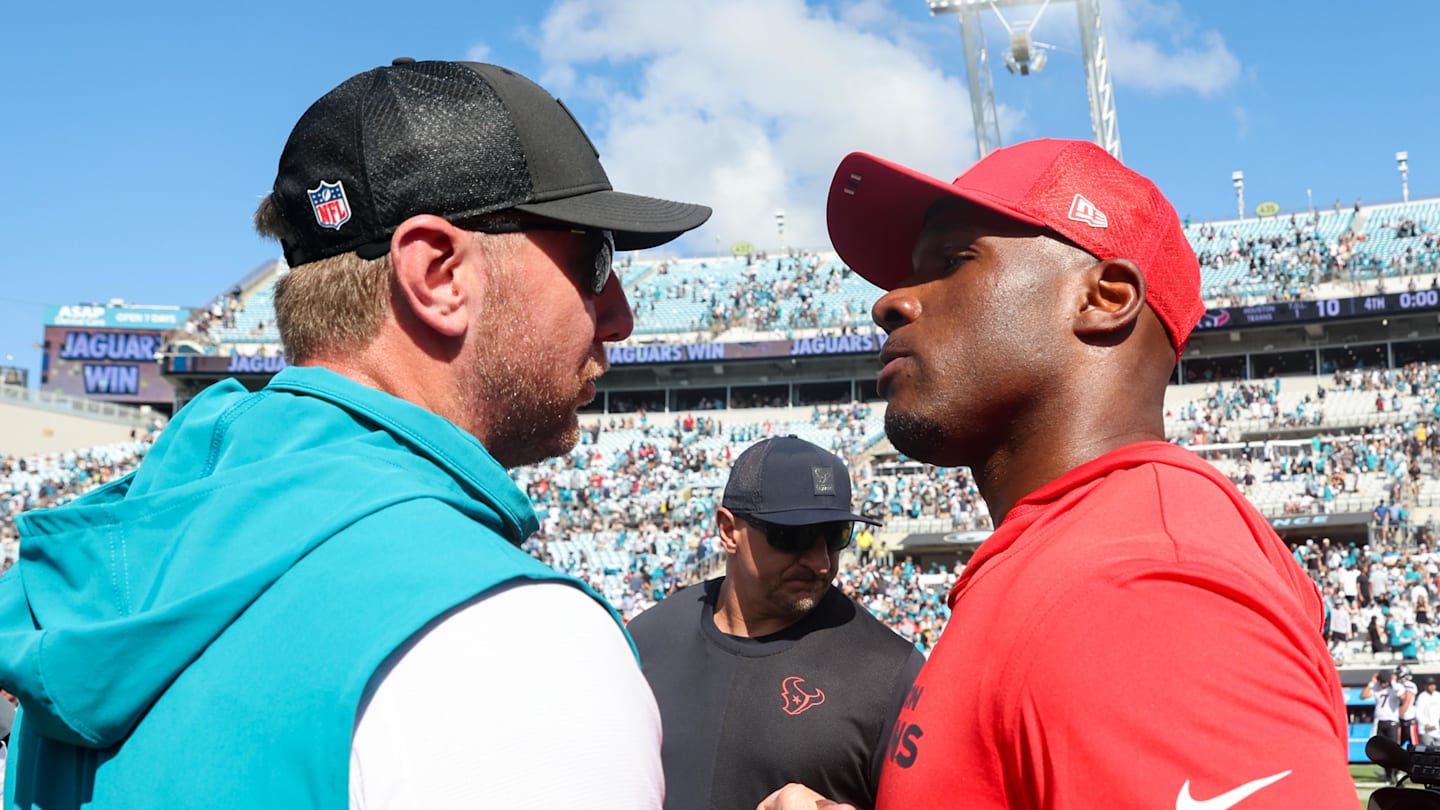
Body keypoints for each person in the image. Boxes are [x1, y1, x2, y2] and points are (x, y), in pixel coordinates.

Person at [0, 58, 710, 808]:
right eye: (594, 258)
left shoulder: (107, 572)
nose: (622, 314)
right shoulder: (510, 640)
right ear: (439, 274)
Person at [764, 139, 1353, 808]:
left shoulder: (1141, 585)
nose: (890, 303)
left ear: (1105, 298)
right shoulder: (1081, 550)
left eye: (953, 262)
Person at [629, 436, 924, 810]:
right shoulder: (645, 643)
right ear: (727, 530)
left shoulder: (891, 671)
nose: (820, 562)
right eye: (794, 536)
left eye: (835, 536)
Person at [1364, 669, 1404, 784]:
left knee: (1394, 750)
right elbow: (1364, 695)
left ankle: (1396, 773)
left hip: (1392, 722)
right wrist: (1372, 682)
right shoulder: (1377, 689)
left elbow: (1402, 696)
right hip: (1380, 722)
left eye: (1385, 681)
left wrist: (1393, 682)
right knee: (1383, 752)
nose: (1383, 684)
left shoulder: (1395, 688)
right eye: (1381, 681)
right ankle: (1388, 777)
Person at [1416, 679, 1440, 746]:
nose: (1432, 687)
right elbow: (1418, 713)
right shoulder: (1422, 697)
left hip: (1436, 728)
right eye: (1430, 685)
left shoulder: (1438, 695)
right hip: (1425, 729)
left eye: (1433, 685)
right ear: (1425, 686)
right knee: (1428, 749)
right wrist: (1425, 723)